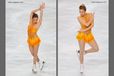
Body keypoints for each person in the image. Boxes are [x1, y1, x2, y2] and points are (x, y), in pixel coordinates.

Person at [76, 4, 99, 73]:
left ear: (85, 11)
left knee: (96, 48)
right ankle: (81, 66)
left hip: (89, 34)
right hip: (82, 35)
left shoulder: (90, 15)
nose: (81, 13)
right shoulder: (79, 18)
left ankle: (84, 52)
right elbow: (87, 24)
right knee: (81, 51)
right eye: (80, 12)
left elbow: (92, 25)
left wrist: (84, 30)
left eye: (82, 12)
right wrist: (92, 18)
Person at [27, 2, 45, 73]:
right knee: (33, 54)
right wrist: (39, 8)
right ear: (32, 19)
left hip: (35, 41)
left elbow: (41, 18)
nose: (35, 21)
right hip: (30, 40)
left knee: (35, 54)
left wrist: (41, 10)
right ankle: (40, 61)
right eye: (34, 19)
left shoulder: (38, 24)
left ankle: (34, 66)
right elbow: (32, 12)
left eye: (36, 19)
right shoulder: (30, 23)